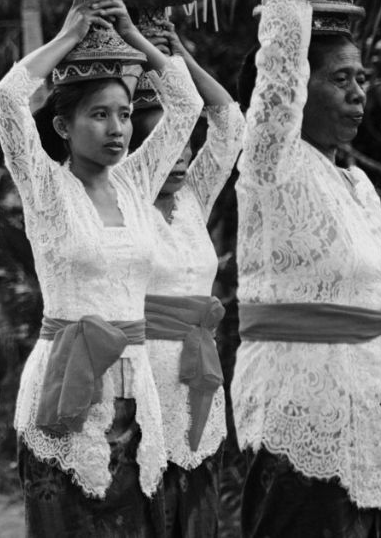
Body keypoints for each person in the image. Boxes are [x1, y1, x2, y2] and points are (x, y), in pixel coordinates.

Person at [230, 0, 381, 536]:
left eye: (362, 79)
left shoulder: (356, 184)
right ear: (299, 90)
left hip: (369, 414)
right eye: (341, 80)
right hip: (299, 416)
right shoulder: (272, 161)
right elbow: (281, 52)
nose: (359, 93)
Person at [0, 0, 203, 536]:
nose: (117, 129)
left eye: (125, 114)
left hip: (136, 385)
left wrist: (133, 37)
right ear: (63, 127)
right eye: (98, 115)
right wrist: (66, 37)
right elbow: (9, 97)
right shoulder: (45, 188)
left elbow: (186, 104)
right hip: (65, 384)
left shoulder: (137, 182)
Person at [131, 26, 245, 536]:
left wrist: (176, 56)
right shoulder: (121, 200)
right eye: (166, 144)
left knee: (197, 513)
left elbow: (227, 123)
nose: (179, 157)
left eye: (184, 146)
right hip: (140, 380)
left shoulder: (192, 201)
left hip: (196, 375)